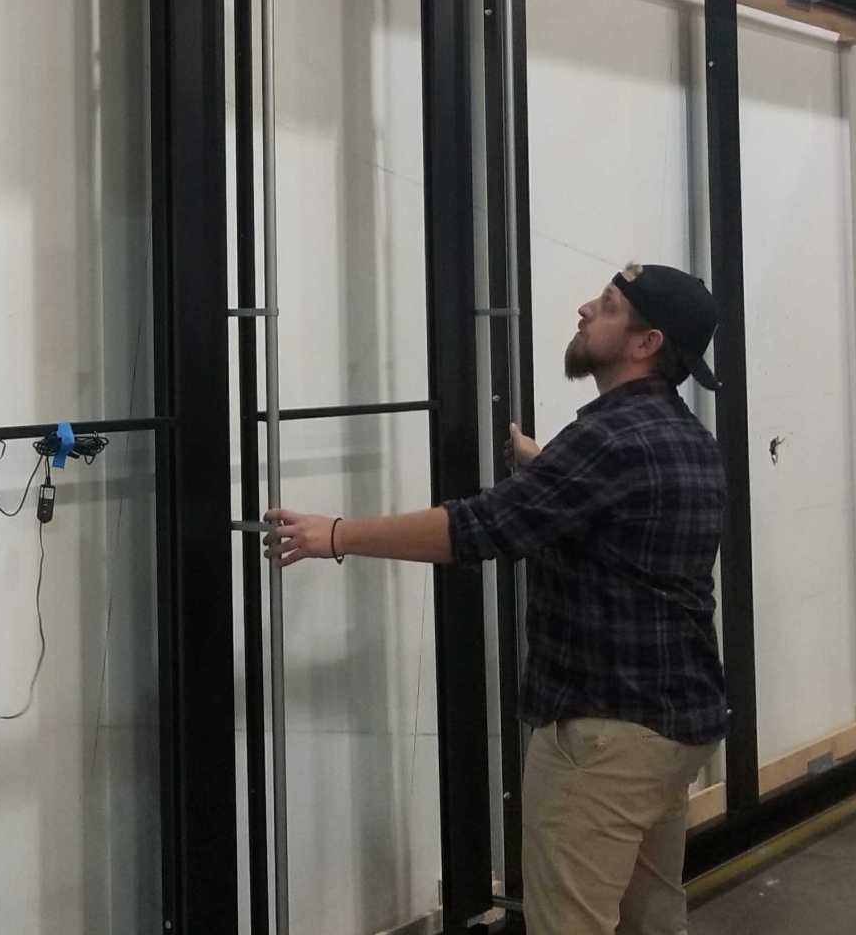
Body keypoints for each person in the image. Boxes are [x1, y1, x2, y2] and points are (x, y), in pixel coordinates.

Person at [266, 262, 728, 935]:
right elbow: (618, 519)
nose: (584, 310)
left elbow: (477, 529)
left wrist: (336, 534)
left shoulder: (608, 441)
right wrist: (543, 467)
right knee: (650, 920)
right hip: (674, 728)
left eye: (606, 306)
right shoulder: (686, 439)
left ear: (646, 343)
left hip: (604, 737)